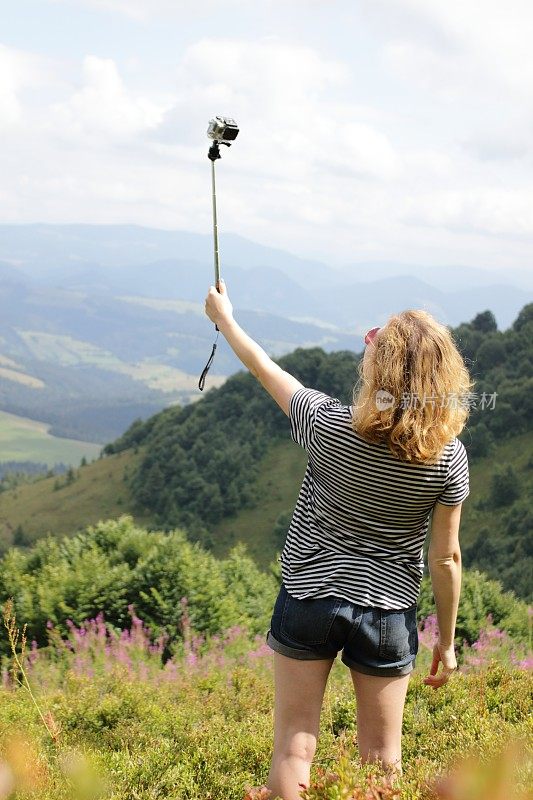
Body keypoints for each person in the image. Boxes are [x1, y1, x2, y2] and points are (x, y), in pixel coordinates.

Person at [204, 280, 472, 800]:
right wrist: (447, 639)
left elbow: (261, 366)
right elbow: (446, 557)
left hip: (308, 598)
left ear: (378, 370)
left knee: (293, 748)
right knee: (382, 762)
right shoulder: (448, 460)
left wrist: (225, 318)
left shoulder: (328, 424)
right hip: (389, 613)